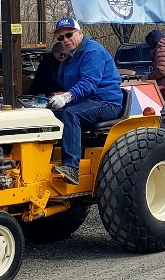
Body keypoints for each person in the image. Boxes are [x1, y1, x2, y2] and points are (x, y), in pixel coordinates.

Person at [48, 17, 123, 184]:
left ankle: (72, 167)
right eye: (61, 38)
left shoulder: (92, 52)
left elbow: (88, 83)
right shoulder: (70, 57)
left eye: (69, 34)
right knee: (50, 115)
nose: (65, 40)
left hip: (107, 102)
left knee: (70, 114)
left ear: (80, 33)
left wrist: (67, 97)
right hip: (88, 100)